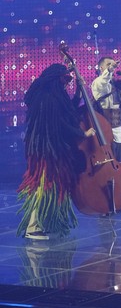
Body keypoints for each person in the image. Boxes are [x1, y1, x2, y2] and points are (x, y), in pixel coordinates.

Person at [17, 64, 96, 240]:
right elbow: (61, 123)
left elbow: (67, 111)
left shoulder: (50, 95)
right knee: (42, 186)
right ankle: (33, 226)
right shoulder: (48, 98)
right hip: (47, 151)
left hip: (51, 149)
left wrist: (78, 92)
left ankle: (44, 224)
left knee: (52, 185)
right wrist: (82, 134)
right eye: (65, 79)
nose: (67, 83)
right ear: (56, 79)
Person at [91, 56, 121, 161]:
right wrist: (110, 69)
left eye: (112, 64)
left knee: (117, 153)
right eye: (108, 64)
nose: (111, 66)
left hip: (116, 123)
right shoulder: (97, 82)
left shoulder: (115, 84)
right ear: (101, 68)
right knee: (105, 154)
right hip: (103, 124)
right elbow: (103, 82)